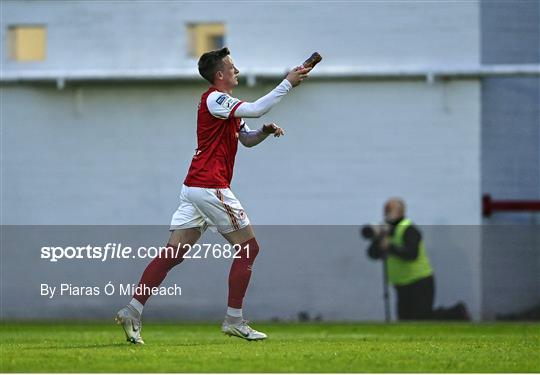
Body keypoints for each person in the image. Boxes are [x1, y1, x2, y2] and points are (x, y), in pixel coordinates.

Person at [115, 47, 312, 343]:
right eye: (232, 67)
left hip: (195, 186)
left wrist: (264, 132)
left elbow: (244, 138)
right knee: (249, 249)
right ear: (219, 75)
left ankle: (132, 310)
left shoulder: (225, 104)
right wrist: (288, 83)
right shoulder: (215, 98)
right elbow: (257, 107)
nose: (238, 71)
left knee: (173, 253)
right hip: (210, 186)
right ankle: (234, 319)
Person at [367, 197, 470, 321]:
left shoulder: (409, 229)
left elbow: (412, 254)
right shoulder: (386, 231)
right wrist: (379, 242)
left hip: (419, 281)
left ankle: (456, 313)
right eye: (385, 211)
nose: (386, 214)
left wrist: (390, 247)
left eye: (389, 210)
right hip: (401, 283)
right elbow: (372, 254)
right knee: (406, 319)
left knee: (422, 317)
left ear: (400, 212)